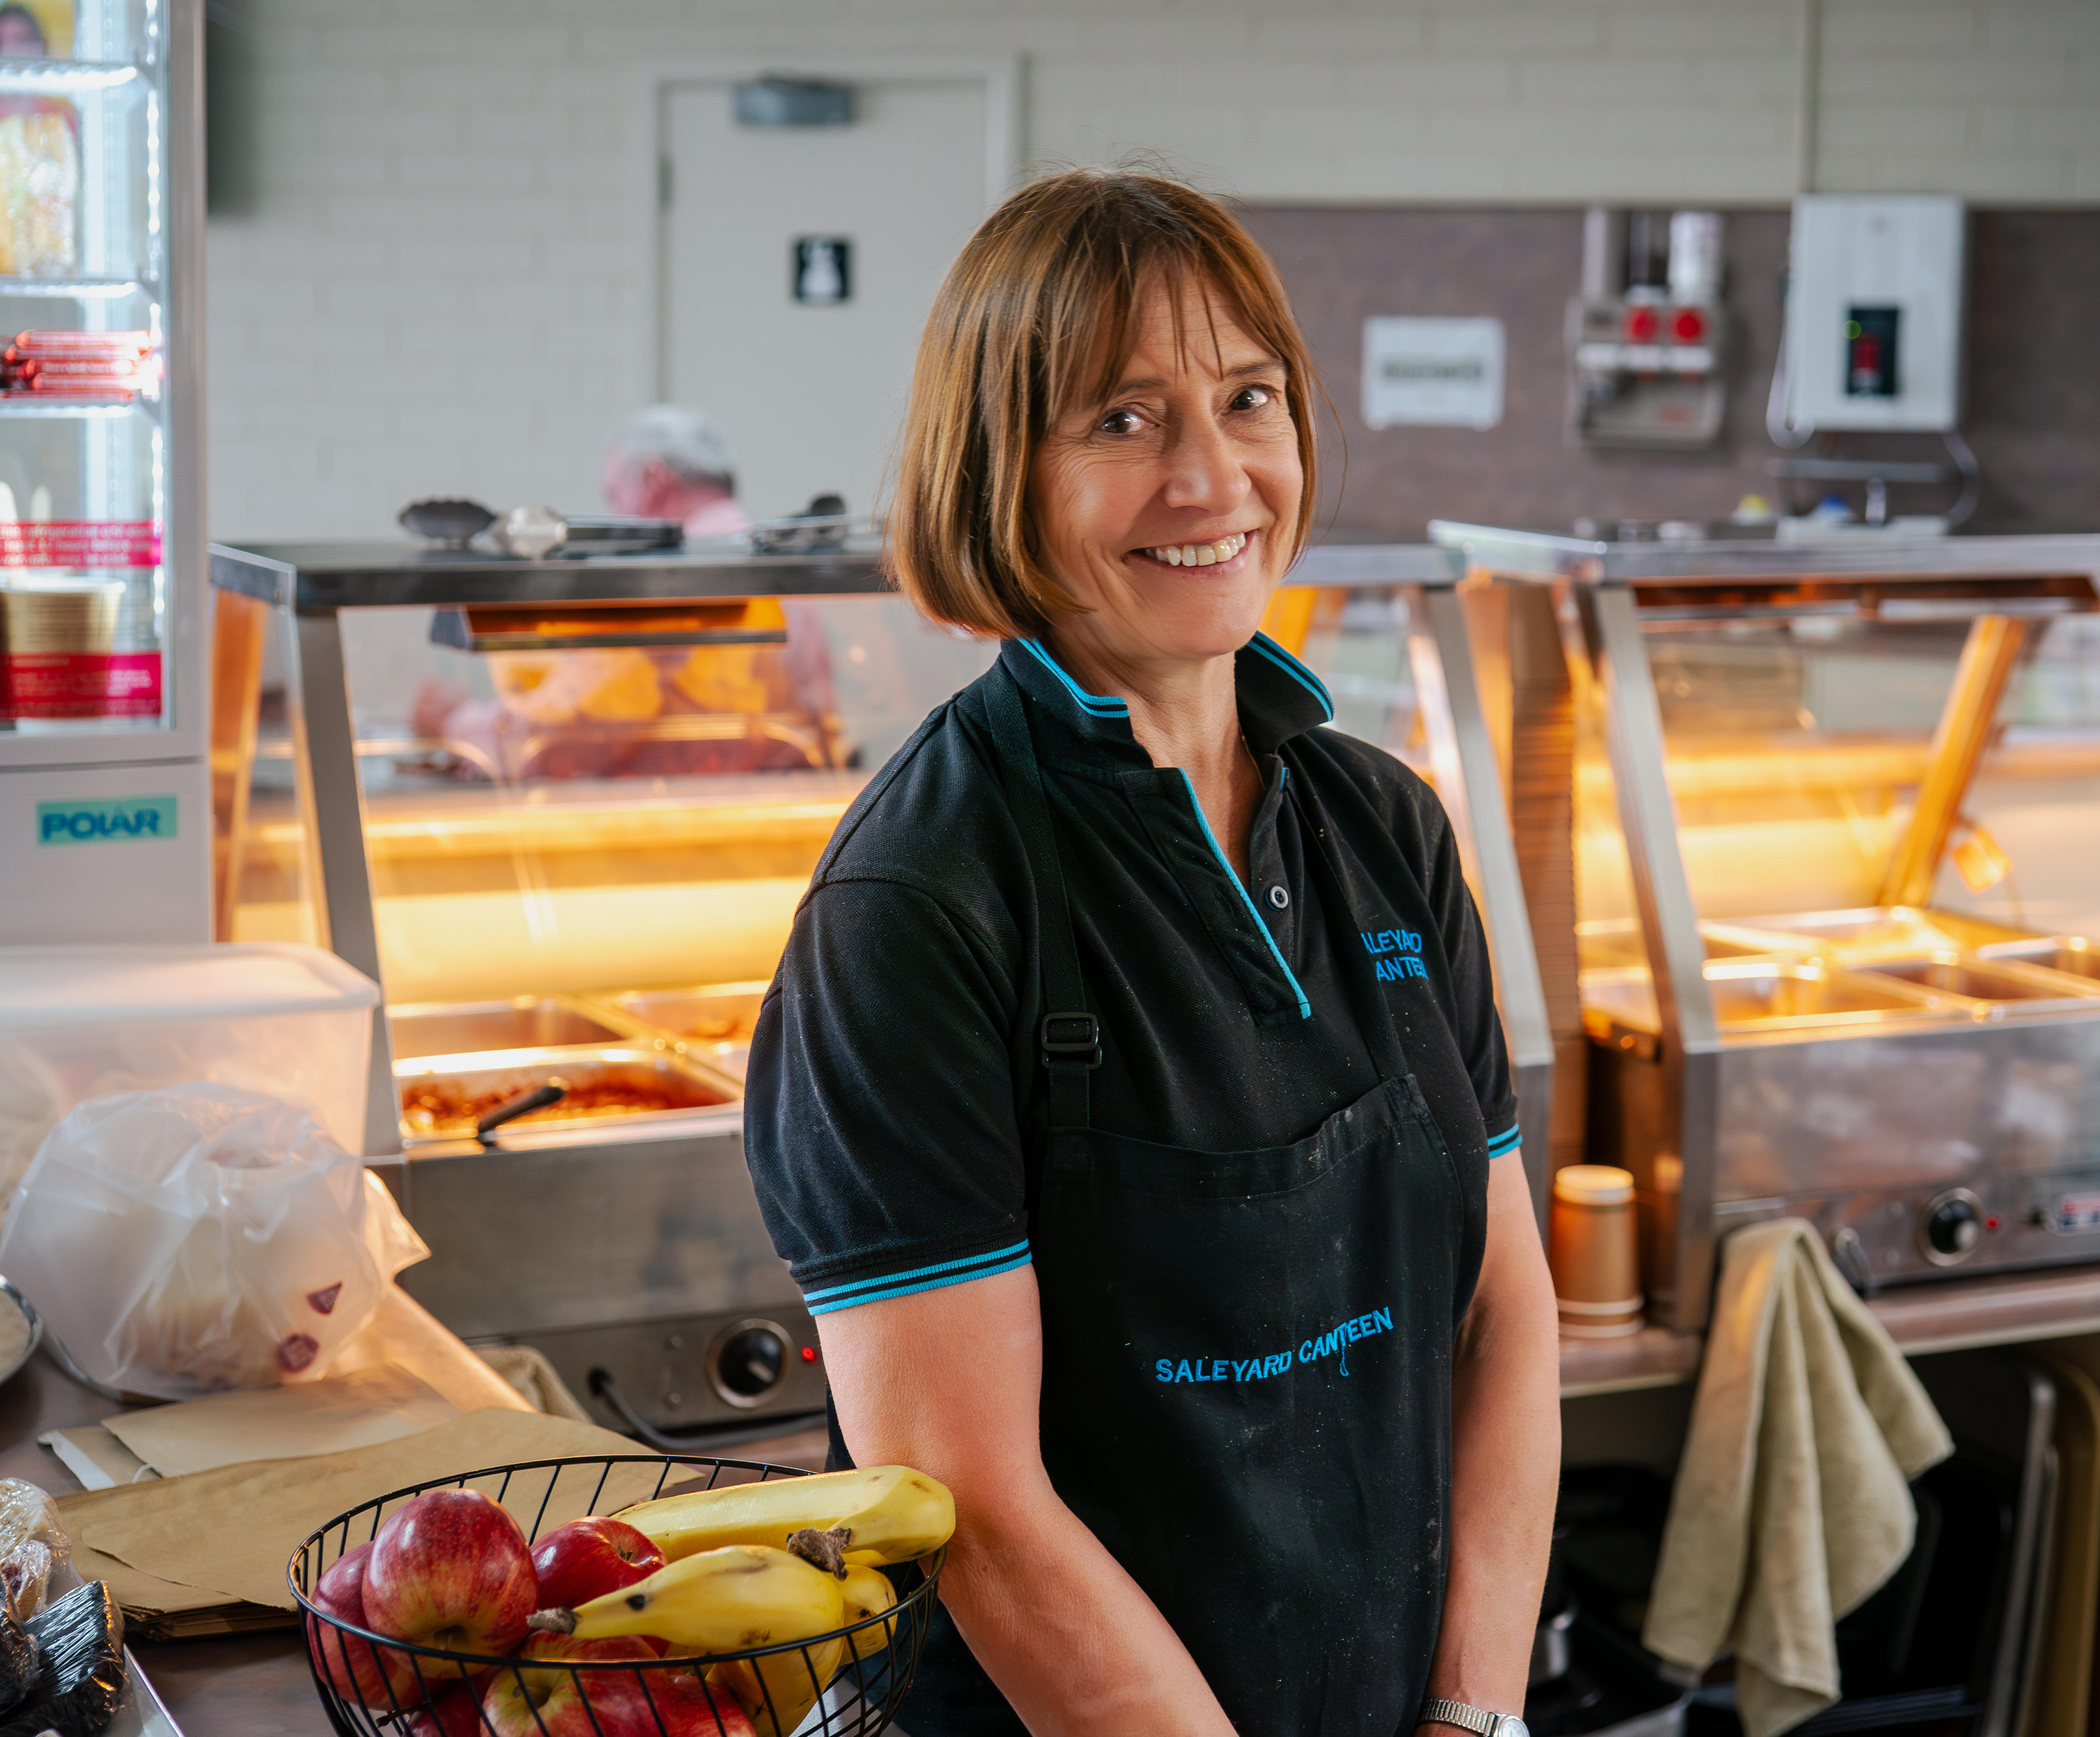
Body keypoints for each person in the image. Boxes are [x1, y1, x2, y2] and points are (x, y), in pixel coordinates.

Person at [746, 168, 1560, 1736]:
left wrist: (1473, 1712)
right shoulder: (917, 902)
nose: (1211, 479)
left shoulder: (1384, 824)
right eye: (1121, 421)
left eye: (1246, 399)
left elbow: (1501, 1313)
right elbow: (971, 1502)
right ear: (998, 473)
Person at [601, 403, 749, 536]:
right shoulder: (754, 547)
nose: (614, 517)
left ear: (654, 481)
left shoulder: (686, 556)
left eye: (614, 498)